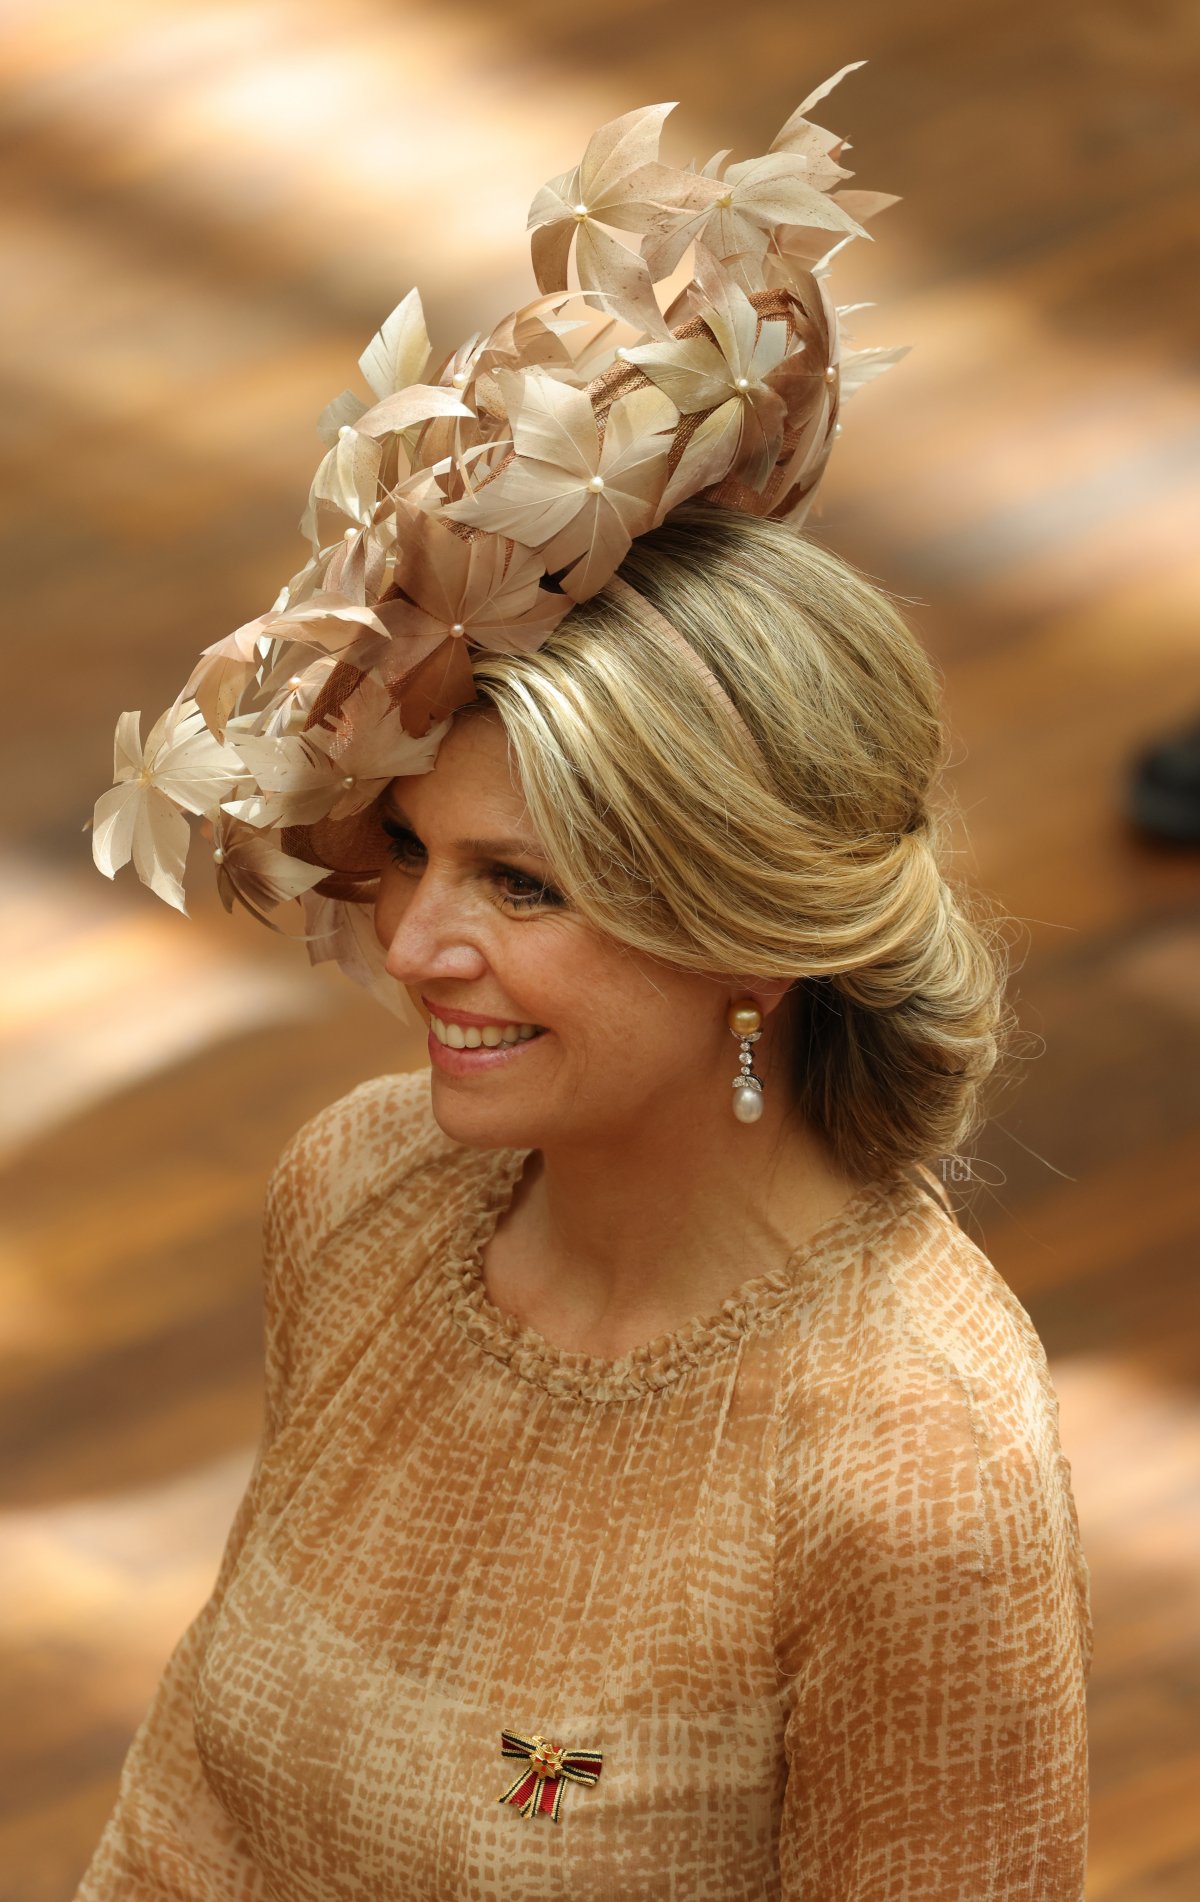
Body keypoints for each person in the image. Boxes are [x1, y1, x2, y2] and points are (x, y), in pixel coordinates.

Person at [78, 75, 1093, 1900]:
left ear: (754, 934)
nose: (413, 946)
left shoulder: (911, 1471)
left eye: (522, 885)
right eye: (419, 854)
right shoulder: (362, 1192)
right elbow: (197, 1810)